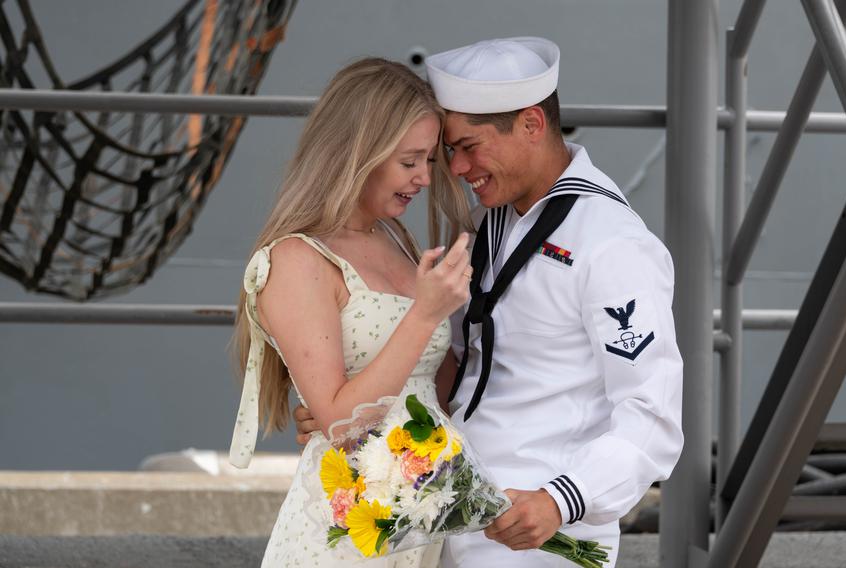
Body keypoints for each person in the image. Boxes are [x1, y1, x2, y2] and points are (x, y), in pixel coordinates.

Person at [298, 37, 685, 566]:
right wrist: (350, 409)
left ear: (531, 124)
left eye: (470, 146)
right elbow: (456, 367)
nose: (455, 169)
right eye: (449, 151)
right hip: (445, 514)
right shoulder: (487, 225)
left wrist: (562, 499)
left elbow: (651, 414)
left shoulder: (613, 243)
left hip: (538, 533)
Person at [229, 57, 474, 567]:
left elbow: (430, 388)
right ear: (358, 152)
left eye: (430, 160)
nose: (424, 179)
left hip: (419, 509)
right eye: (410, 161)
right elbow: (341, 422)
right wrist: (426, 316)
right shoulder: (296, 258)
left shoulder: (394, 238)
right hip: (351, 531)